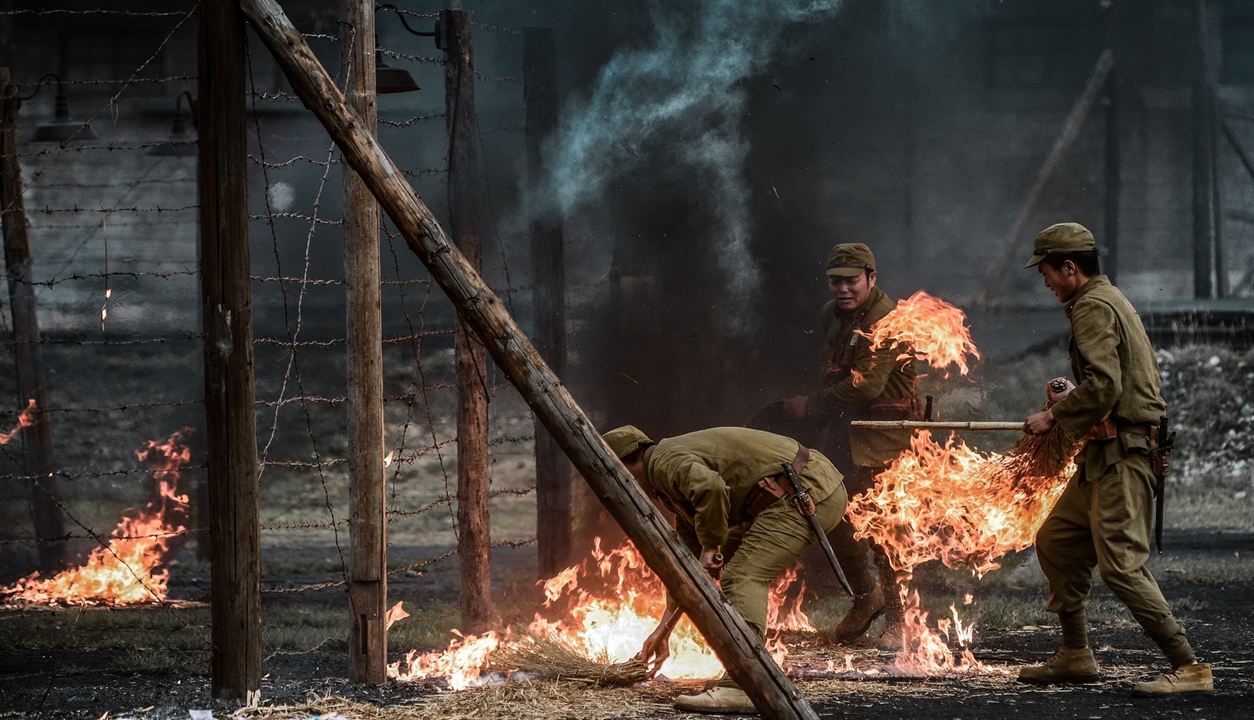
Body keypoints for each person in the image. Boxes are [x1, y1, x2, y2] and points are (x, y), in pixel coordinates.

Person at [1018, 221, 1212, 696]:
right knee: (1057, 538)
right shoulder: (1103, 301)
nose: (1044, 281)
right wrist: (1069, 400)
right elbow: (1103, 383)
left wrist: (1054, 421)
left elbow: (1106, 385)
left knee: (1121, 565)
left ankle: (1190, 668)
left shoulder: (1092, 307)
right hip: (1103, 452)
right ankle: (1076, 655)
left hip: (1123, 455)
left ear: (1069, 267)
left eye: (1046, 271)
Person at [603, 424, 846, 714]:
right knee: (729, 566)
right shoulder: (667, 478)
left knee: (742, 574)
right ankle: (743, 680)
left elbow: (711, 487)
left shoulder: (663, 462)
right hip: (795, 492)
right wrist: (663, 631)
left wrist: (711, 548)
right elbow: (688, 570)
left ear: (625, 465)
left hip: (806, 490)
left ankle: (743, 686)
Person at [754, 242, 918, 649]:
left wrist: (809, 406)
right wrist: (811, 417)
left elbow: (868, 385)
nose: (843, 289)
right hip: (845, 430)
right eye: (835, 281)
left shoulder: (886, 321)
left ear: (871, 279)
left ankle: (899, 623)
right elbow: (835, 374)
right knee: (834, 511)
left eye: (852, 281)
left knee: (885, 529)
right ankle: (867, 597)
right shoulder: (832, 315)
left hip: (886, 434)